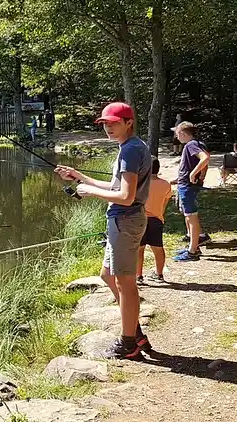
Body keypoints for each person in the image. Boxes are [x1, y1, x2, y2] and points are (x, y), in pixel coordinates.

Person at [55, 102, 152, 360]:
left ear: (129, 122)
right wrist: (79, 177)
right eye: (105, 123)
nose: (108, 127)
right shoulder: (130, 147)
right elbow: (114, 186)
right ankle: (135, 332)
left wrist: (89, 192)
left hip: (125, 220)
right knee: (108, 276)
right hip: (121, 219)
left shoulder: (131, 150)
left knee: (125, 283)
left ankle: (128, 343)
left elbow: (126, 197)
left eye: (113, 123)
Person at [171, 121, 211, 262]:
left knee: (191, 217)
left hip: (187, 187)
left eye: (177, 133)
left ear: (182, 133)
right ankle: (194, 245)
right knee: (189, 216)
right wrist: (179, 179)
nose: (176, 136)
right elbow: (197, 164)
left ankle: (192, 252)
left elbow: (205, 158)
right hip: (185, 184)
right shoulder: (197, 143)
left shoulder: (191, 145)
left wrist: (193, 174)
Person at [136, 157, 172, 284]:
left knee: (139, 249)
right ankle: (159, 274)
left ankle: (138, 276)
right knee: (158, 248)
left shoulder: (140, 184)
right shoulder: (166, 184)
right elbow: (165, 203)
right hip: (157, 220)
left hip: (140, 220)